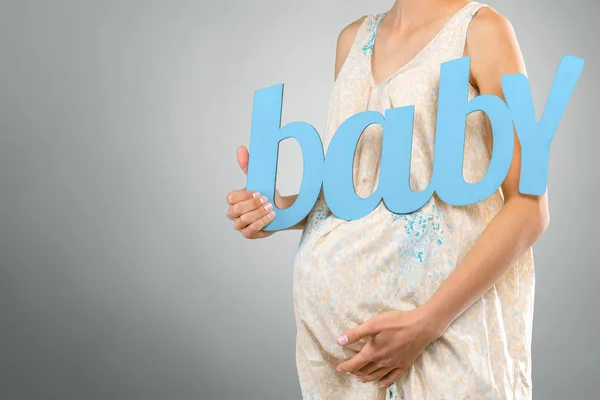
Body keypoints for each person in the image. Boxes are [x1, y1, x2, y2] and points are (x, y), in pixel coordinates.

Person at [226, 1, 547, 398]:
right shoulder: (353, 39)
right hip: (343, 365)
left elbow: (529, 208)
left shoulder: (483, 30)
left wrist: (427, 322)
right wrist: (280, 207)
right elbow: (358, 187)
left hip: (448, 335)